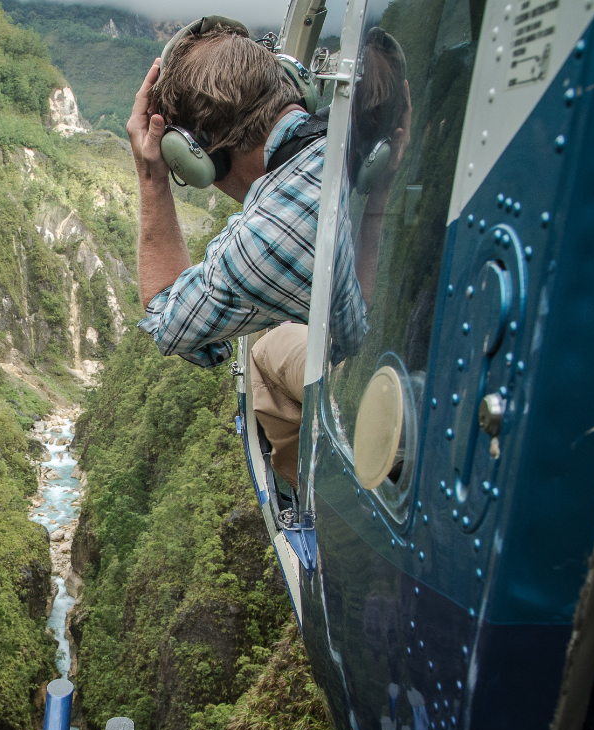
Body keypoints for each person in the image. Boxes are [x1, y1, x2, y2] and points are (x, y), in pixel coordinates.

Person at [129, 19, 409, 487]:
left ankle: (327, 489)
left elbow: (166, 319)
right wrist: (378, 197)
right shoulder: (348, 132)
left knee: (264, 352)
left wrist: (152, 177)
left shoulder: (267, 237)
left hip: (374, 386)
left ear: (195, 158)